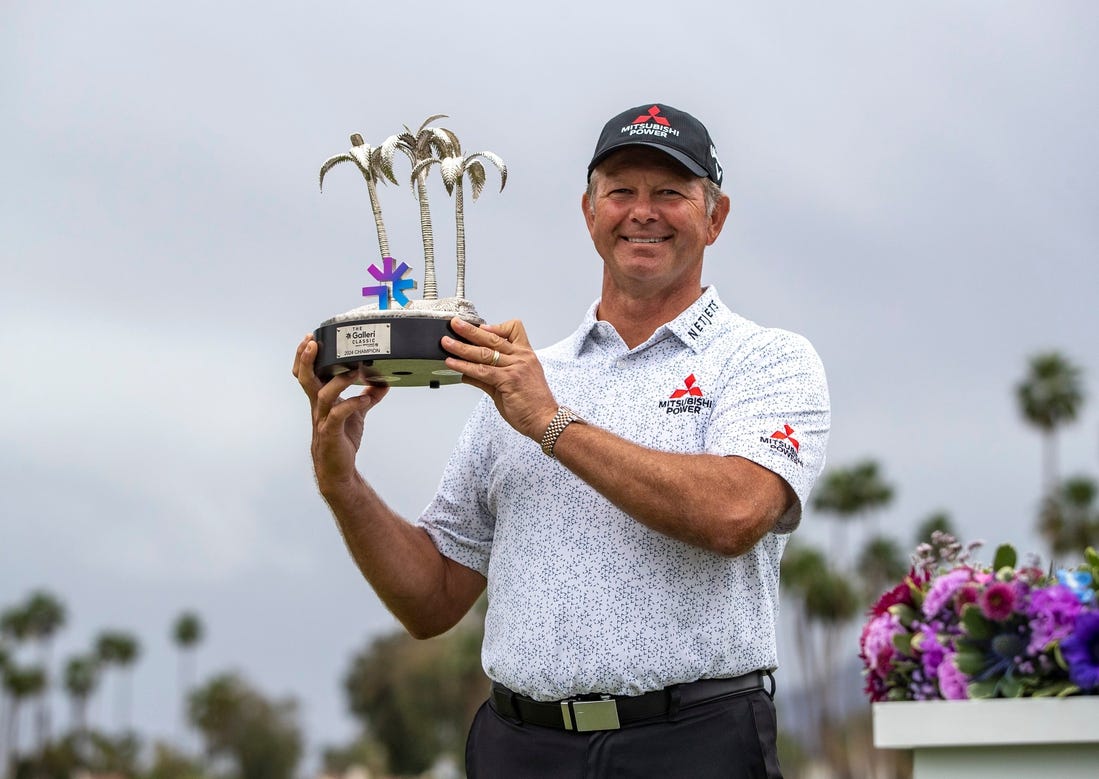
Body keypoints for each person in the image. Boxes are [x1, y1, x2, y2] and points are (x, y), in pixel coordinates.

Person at [293, 103, 830, 778]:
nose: (643, 211)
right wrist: (342, 484)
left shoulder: (764, 360)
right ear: (588, 212)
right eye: (620, 192)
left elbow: (734, 513)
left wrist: (552, 423)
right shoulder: (520, 379)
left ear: (713, 217)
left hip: (691, 743)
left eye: (670, 192)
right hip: (521, 746)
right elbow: (431, 600)